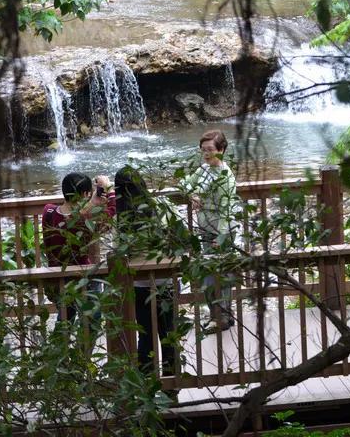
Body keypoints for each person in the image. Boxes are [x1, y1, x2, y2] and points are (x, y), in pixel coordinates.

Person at [114, 168, 176, 377]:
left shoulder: (122, 215)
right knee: (168, 334)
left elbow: (119, 251)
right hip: (165, 279)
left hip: (139, 283)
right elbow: (178, 233)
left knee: (145, 336)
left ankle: (147, 386)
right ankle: (172, 386)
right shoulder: (161, 205)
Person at [42, 172, 115, 337]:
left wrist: (90, 203)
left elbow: (68, 215)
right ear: (84, 194)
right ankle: (83, 355)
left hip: (57, 278)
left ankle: (58, 357)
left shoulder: (48, 211)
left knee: (65, 318)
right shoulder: (84, 222)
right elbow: (111, 212)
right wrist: (109, 189)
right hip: (83, 279)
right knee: (93, 321)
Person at [182, 130, 239, 331]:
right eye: (203, 150)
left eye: (210, 150)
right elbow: (185, 183)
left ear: (222, 150)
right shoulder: (204, 169)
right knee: (209, 274)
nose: (206, 154)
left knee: (218, 276)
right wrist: (192, 194)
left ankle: (221, 318)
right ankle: (221, 316)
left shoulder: (226, 176)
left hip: (221, 232)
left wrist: (222, 236)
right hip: (206, 230)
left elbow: (228, 208)